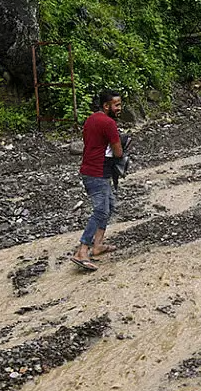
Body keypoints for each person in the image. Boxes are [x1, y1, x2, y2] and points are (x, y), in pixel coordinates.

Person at [71, 91, 124, 271]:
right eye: (116, 105)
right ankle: (82, 250)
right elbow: (118, 152)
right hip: (98, 172)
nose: (119, 108)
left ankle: (98, 245)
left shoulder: (91, 119)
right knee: (101, 210)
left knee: (109, 205)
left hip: (90, 169)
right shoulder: (109, 123)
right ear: (106, 106)